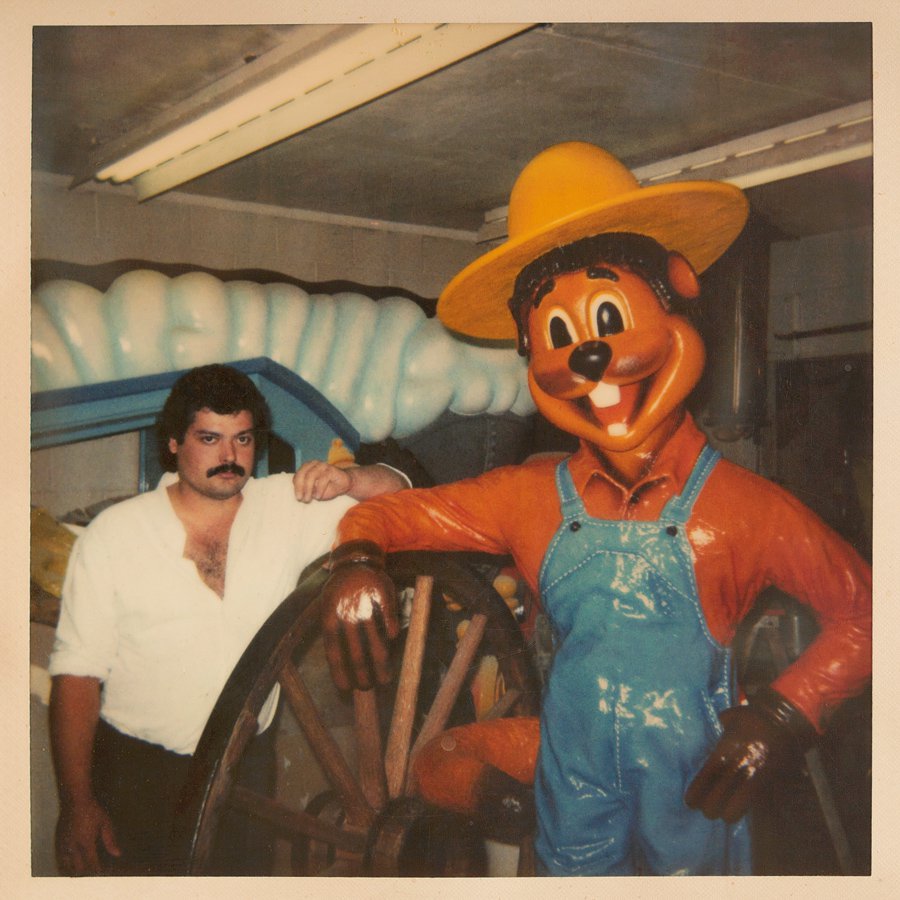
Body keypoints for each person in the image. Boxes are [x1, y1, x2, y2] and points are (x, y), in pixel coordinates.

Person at [317, 142, 872, 875]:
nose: (588, 359)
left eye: (610, 315)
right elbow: (391, 516)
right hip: (570, 799)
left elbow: (869, 612)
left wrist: (784, 713)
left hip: (695, 796)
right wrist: (356, 561)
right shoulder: (526, 497)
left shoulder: (745, 509)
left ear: (675, 293)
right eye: (557, 334)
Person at [48, 363, 408, 876]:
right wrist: (77, 804)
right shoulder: (114, 534)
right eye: (209, 439)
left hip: (244, 773)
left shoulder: (286, 505)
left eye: (242, 439)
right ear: (173, 443)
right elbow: (76, 676)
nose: (229, 457)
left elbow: (401, 492)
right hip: (135, 776)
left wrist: (347, 478)